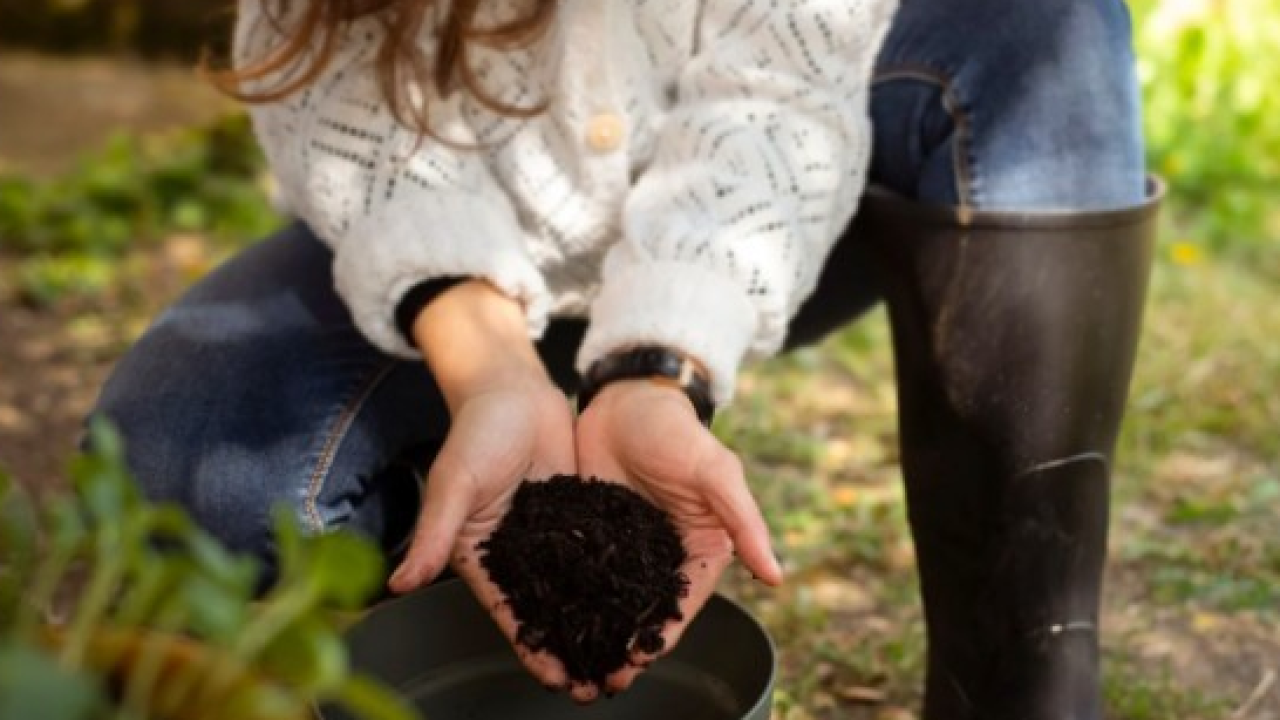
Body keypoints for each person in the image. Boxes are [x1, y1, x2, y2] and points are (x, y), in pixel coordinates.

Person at [92, 0, 1163, 717]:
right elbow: (331, 79)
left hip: (762, 206)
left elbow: (775, 96)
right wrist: (484, 360)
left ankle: (1026, 686)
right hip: (460, 238)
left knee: (1039, 22)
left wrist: (660, 365)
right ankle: (481, 435)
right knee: (188, 472)